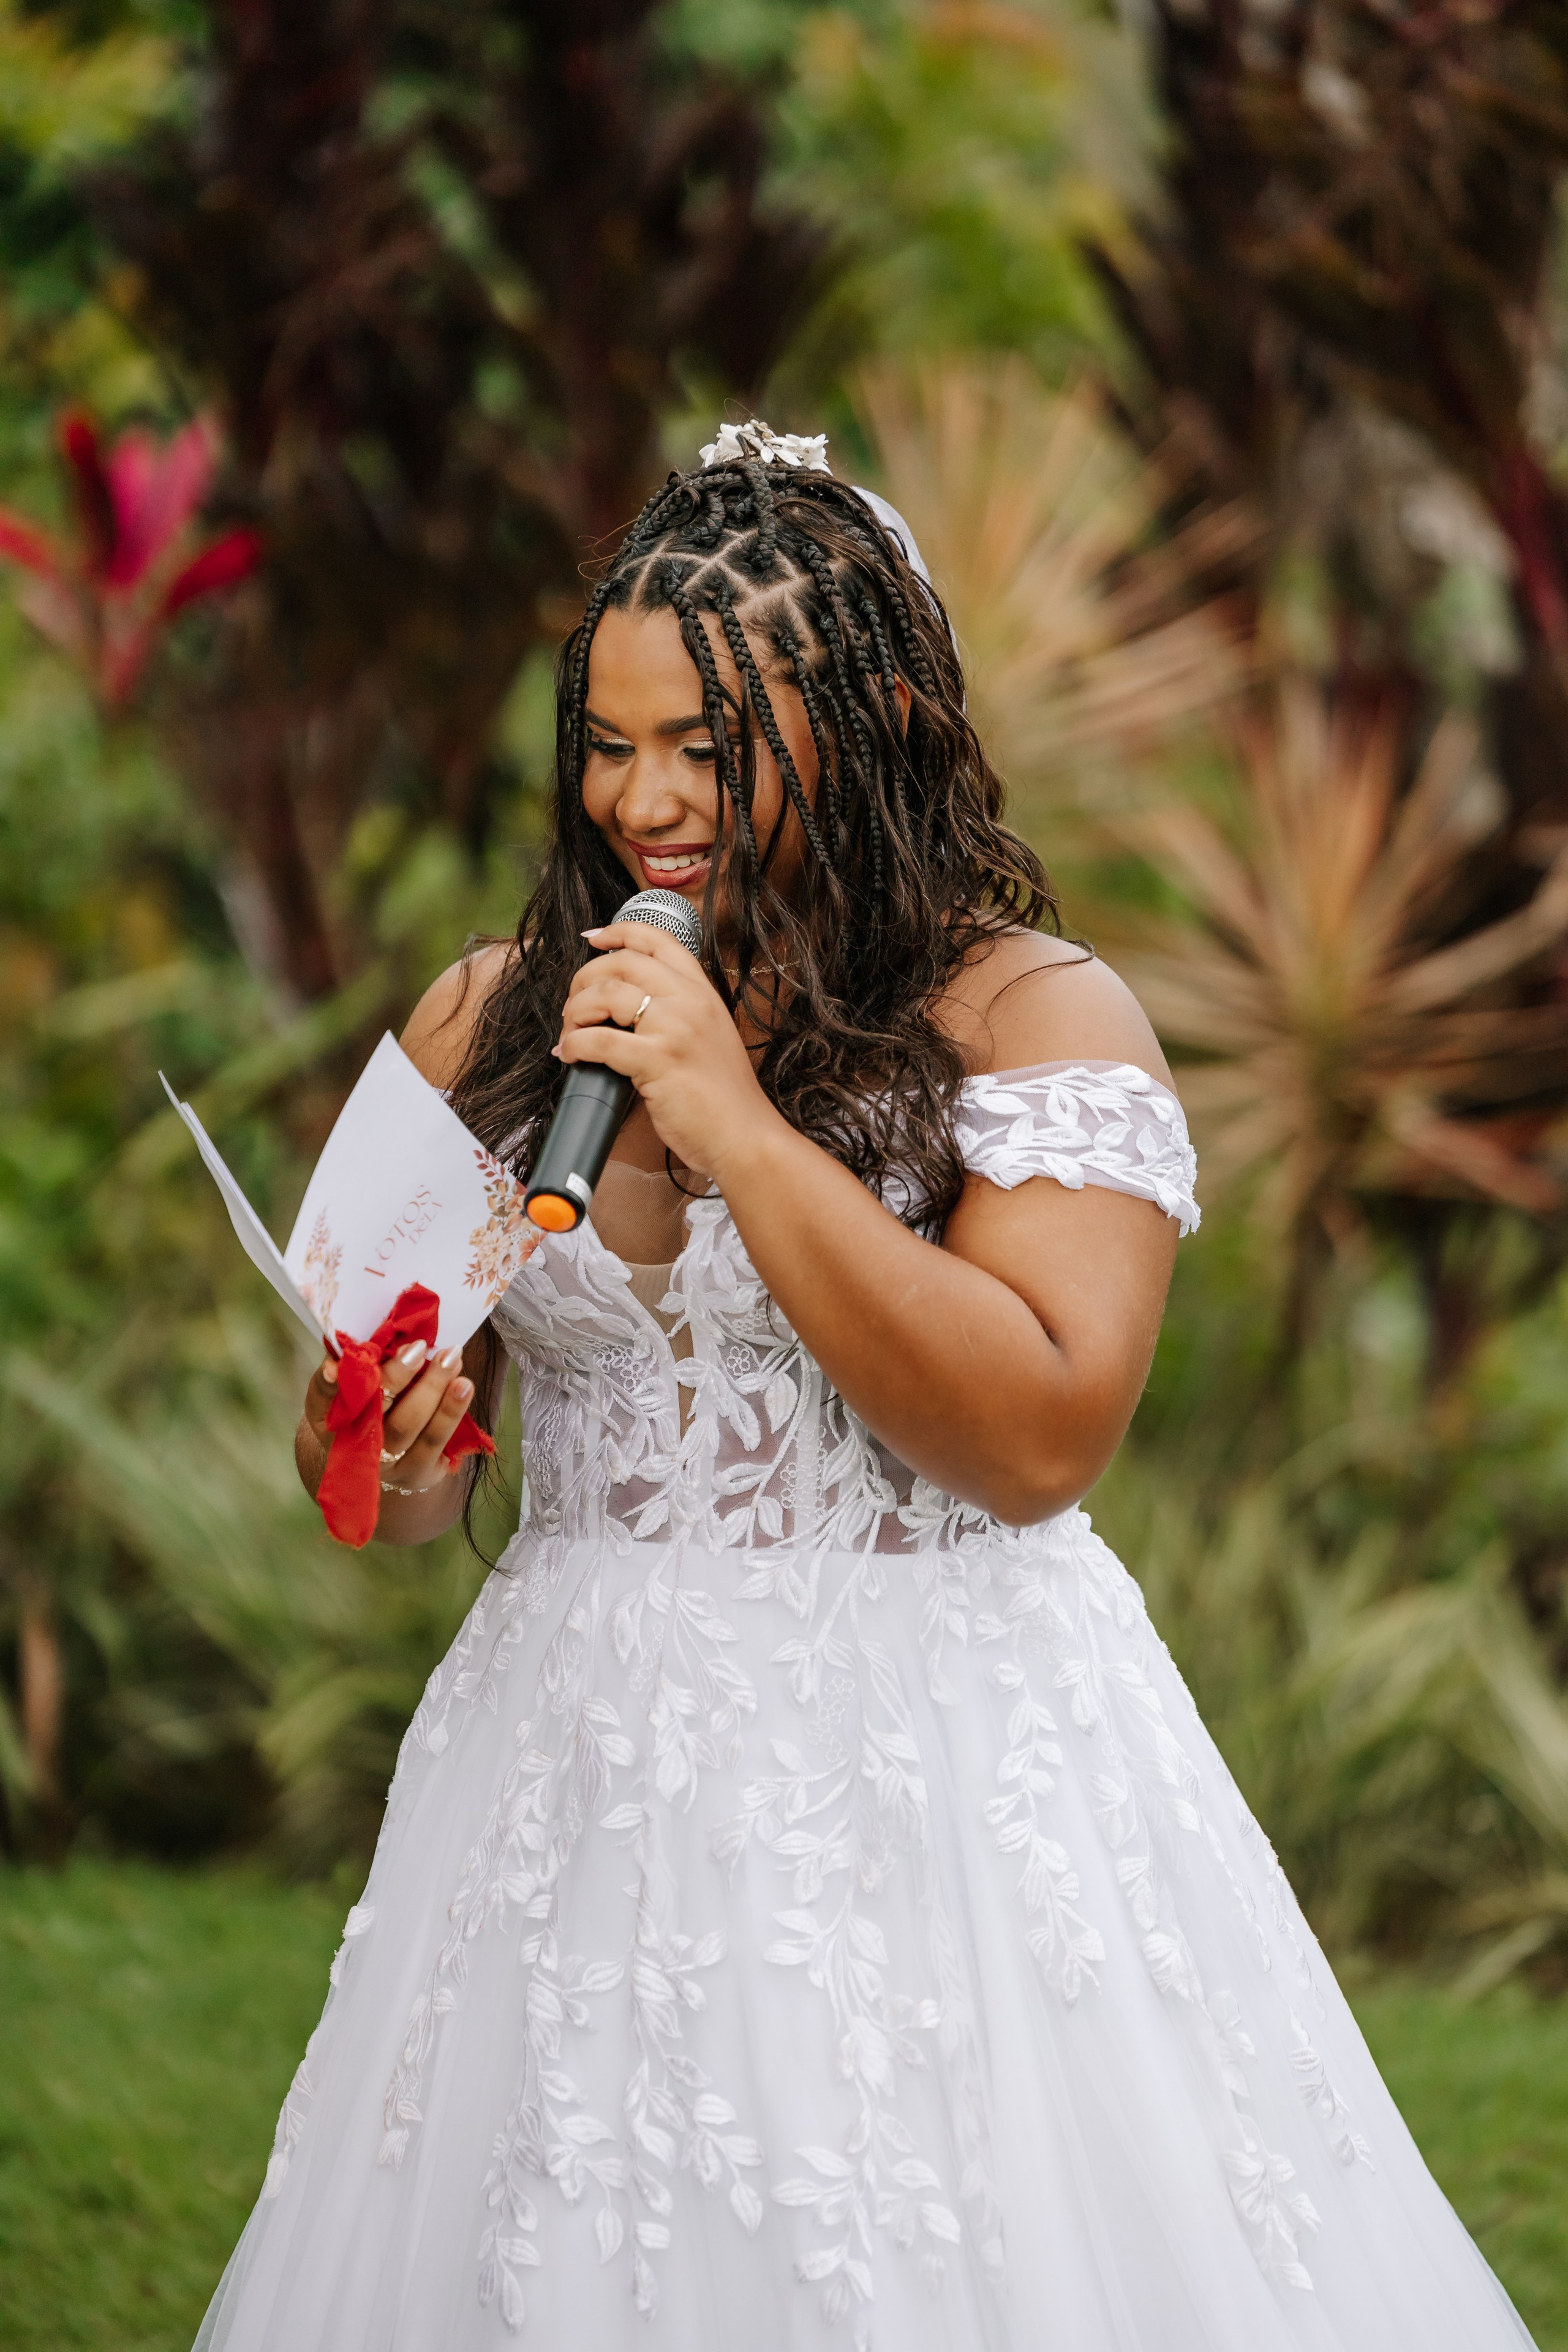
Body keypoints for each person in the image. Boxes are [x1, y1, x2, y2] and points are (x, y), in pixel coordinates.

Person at [195, 422, 1536, 2350]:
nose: (643, 800)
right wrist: (390, 1431)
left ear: (883, 713)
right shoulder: (497, 1017)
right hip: (559, 1785)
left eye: (710, 749)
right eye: (611, 740)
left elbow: (1037, 1439)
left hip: (933, 1785)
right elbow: (387, 1491)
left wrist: (735, 1124)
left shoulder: (1030, 1022)